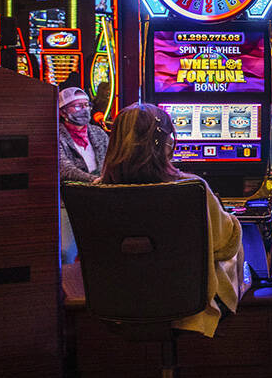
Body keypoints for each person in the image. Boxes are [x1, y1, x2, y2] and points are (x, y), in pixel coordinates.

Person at [99, 103, 246, 337]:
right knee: (241, 264)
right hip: (187, 304)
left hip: (117, 300)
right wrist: (229, 218)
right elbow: (225, 245)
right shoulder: (192, 188)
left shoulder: (96, 193)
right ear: (166, 143)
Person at [58, 86, 108, 183]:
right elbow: (64, 168)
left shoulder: (98, 132)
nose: (85, 110)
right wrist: (94, 180)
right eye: (78, 106)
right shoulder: (57, 135)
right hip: (73, 189)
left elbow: (110, 160)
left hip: (102, 187)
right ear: (63, 112)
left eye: (87, 105)